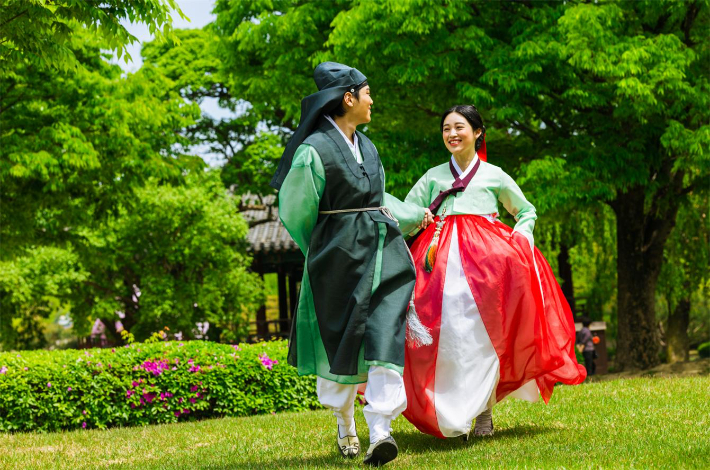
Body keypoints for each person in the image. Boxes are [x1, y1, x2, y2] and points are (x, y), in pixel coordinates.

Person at [272, 62, 432, 466]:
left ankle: (380, 430)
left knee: (384, 336)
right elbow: (297, 211)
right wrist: (328, 248)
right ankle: (345, 421)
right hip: (338, 263)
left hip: (385, 255)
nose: (372, 100)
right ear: (348, 98)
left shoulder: (369, 146)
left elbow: (379, 199)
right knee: (341, 343)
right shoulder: (313, 151)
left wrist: (413, 214)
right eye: (367, 92)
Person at [401, 104, 586, 440]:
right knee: (448, 337)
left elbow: (525, 211)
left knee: (480, 339)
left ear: (477, 132)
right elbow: (407, 210)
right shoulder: (432, 176)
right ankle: (451, 412)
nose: (452, 134)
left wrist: (521, 234)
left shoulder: (495, 175)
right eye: (446, 129)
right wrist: (418, 217)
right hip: (437, 266)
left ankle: (483, 412)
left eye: (459, 127)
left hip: (486, 269)